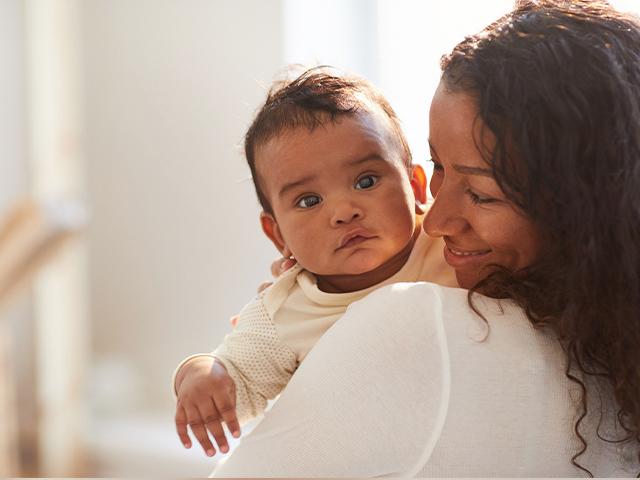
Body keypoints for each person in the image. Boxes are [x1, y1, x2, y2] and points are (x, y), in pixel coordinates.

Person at [211, 0, 640, 476]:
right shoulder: (612, 351)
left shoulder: (412, 320)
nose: (433, 221)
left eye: (480, 193)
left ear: (583, 210)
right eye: (439, 167)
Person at [172, 68, 457, 456]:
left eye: (366, 181)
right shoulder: (286, 308)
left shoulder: (451, 243)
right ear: (278, 236)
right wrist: (199, 373)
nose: (343, 211)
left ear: (417, 187)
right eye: (309, 200)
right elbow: (238, 380)